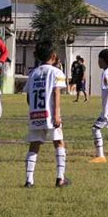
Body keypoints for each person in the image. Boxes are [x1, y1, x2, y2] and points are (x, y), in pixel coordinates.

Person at [24, 41, 70, 188]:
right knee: (58, 142)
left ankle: (29, 180)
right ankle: (60, 178)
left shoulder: (33, 73)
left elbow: (28, 96)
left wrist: (33, 110)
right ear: (54, 56)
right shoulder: (56, 72)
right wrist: (56, 114)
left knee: (34, 145)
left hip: (36, 114)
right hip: (51, 115)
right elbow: (56, 93)